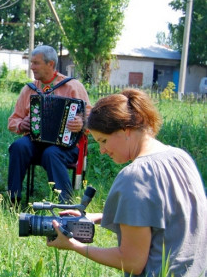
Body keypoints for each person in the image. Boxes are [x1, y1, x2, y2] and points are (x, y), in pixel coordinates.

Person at [47, 89, 207, 277]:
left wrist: (73, 245)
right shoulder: (180, 157)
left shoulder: (135, 176)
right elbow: (167, 214)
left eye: (104, 140)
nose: (102, 150)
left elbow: (132, 262)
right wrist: (96, 217)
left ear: (126, 130)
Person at [7, 45, 91, 204]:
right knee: (18, 147)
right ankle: (13, 199)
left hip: (66, 146)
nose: (32, 67)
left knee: (51, 153)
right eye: (31, 63)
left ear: (50, 64)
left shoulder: (72, 86)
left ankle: (65, 203)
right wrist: (21, 125)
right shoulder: (29, 89)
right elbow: (12, 121)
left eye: (36, 63)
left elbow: (91, 116)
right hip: (35, 143)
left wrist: (81, 122)